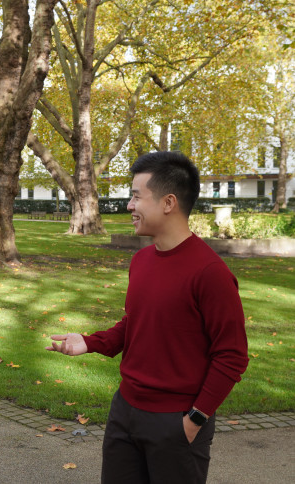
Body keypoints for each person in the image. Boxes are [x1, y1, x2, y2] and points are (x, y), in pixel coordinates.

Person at [46, 151, 249, 484]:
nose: (129, 205)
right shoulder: (141, 260)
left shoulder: (210, 273)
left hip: (176, 422)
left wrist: (194, 420)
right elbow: (137, 322)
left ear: (168, 203)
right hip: (124, 412)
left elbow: (232, 355)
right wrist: (90, 343)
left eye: (136, 196)